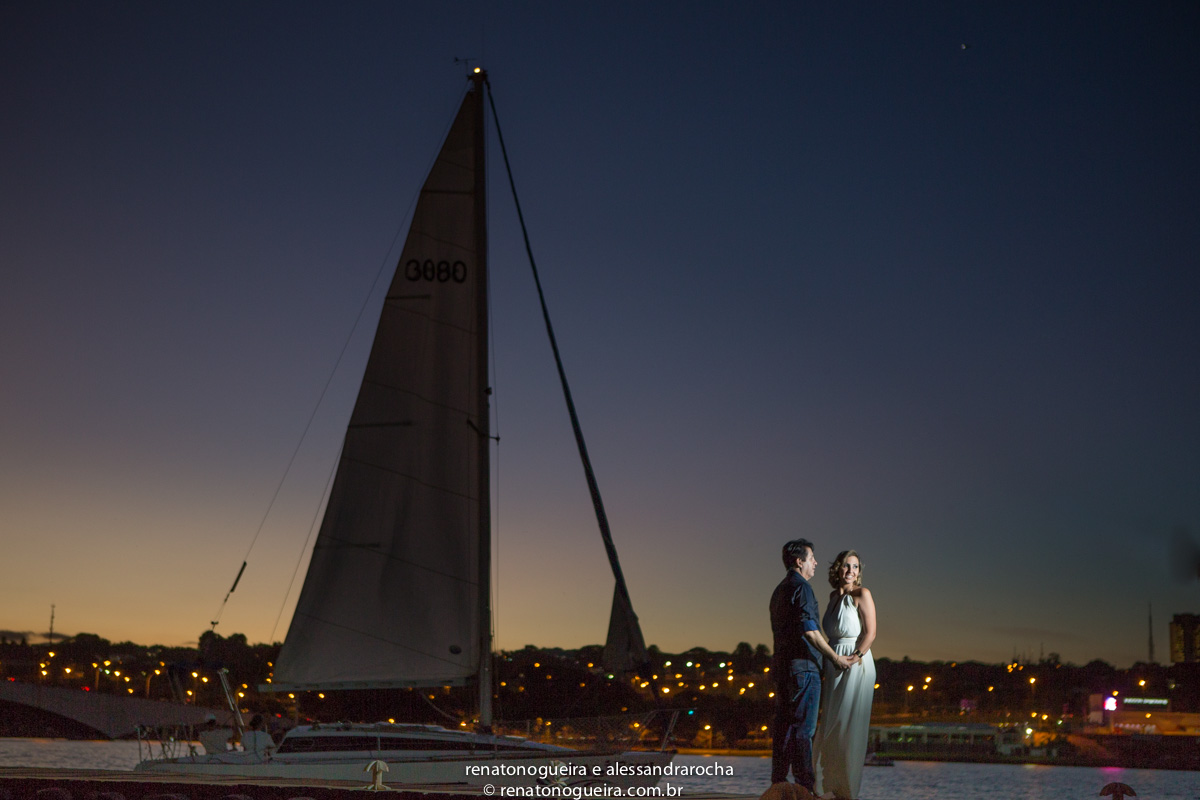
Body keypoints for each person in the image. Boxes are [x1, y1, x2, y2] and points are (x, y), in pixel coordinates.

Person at [770, 539, 858, 791]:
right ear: (800, 562)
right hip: (804, 668)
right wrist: (836, 658)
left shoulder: (779, 590)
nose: (816, 562)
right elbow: (810, 631)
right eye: (811, 558)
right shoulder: (803, 588)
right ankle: (805, 787)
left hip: (783, 668)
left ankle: (778, 784)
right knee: (803, 730)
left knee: (784, 728)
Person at [813, 550, 877, 800]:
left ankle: (845, 789)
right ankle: (825, 785)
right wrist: (833, 659)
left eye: (856, 567)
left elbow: (870, 632)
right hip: (833, 661)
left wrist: (855, 657)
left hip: (856, 662)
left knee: (847, 725)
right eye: (847, 566)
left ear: (859, 572)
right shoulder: (832, 597)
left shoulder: (863, 594)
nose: (851, 571)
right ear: (837, 569)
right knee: (829, 721)